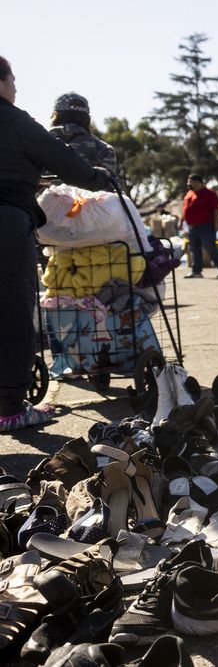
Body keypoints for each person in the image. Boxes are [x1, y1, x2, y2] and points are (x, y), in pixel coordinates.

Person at [0, 55, 115, 432]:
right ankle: (11, 409)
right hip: (7, 221)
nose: (16, 87)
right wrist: (97, 178)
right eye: (13, 80)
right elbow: (66, 163)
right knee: (14, 312)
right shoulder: (15, 121)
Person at [47, 93, 117, 174]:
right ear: (87, 118)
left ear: (55, 115)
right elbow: (109, 183)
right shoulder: (103, 149)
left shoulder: (38, 142)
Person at [183, 174, 218, 278]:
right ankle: (196, 271)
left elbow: (217, 210)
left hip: (206, 226)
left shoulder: (210, 194)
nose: (189, 184)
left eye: (191, 182)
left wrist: (217, 224)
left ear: (198, 182)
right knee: (194, 249)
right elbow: (185, 209)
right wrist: (182, 222)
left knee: (210, 247)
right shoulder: (190, 193)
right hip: (192, 227)